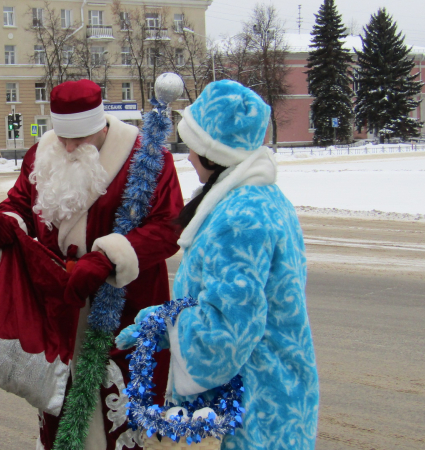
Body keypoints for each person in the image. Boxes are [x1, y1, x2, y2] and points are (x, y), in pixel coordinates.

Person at [0, 79, 184, 449]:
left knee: (120, 426)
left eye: (81, 139)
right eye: (64, 139)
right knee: (60, 417)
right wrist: (9, 220)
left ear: (101, 126)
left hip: (122, 313)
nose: (71, 148)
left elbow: (168, 227)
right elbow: (21, 202)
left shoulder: (147, 157)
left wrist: (111, 255)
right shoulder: (40, 153)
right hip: (57, 312)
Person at [118, 80, 320, 449]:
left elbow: (227, 333)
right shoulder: (261, 198)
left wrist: (164, 324)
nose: (189, 157)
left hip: (256, 409)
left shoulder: (240, 218)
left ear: (216, 151)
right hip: (278, 389)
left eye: (194, 147)